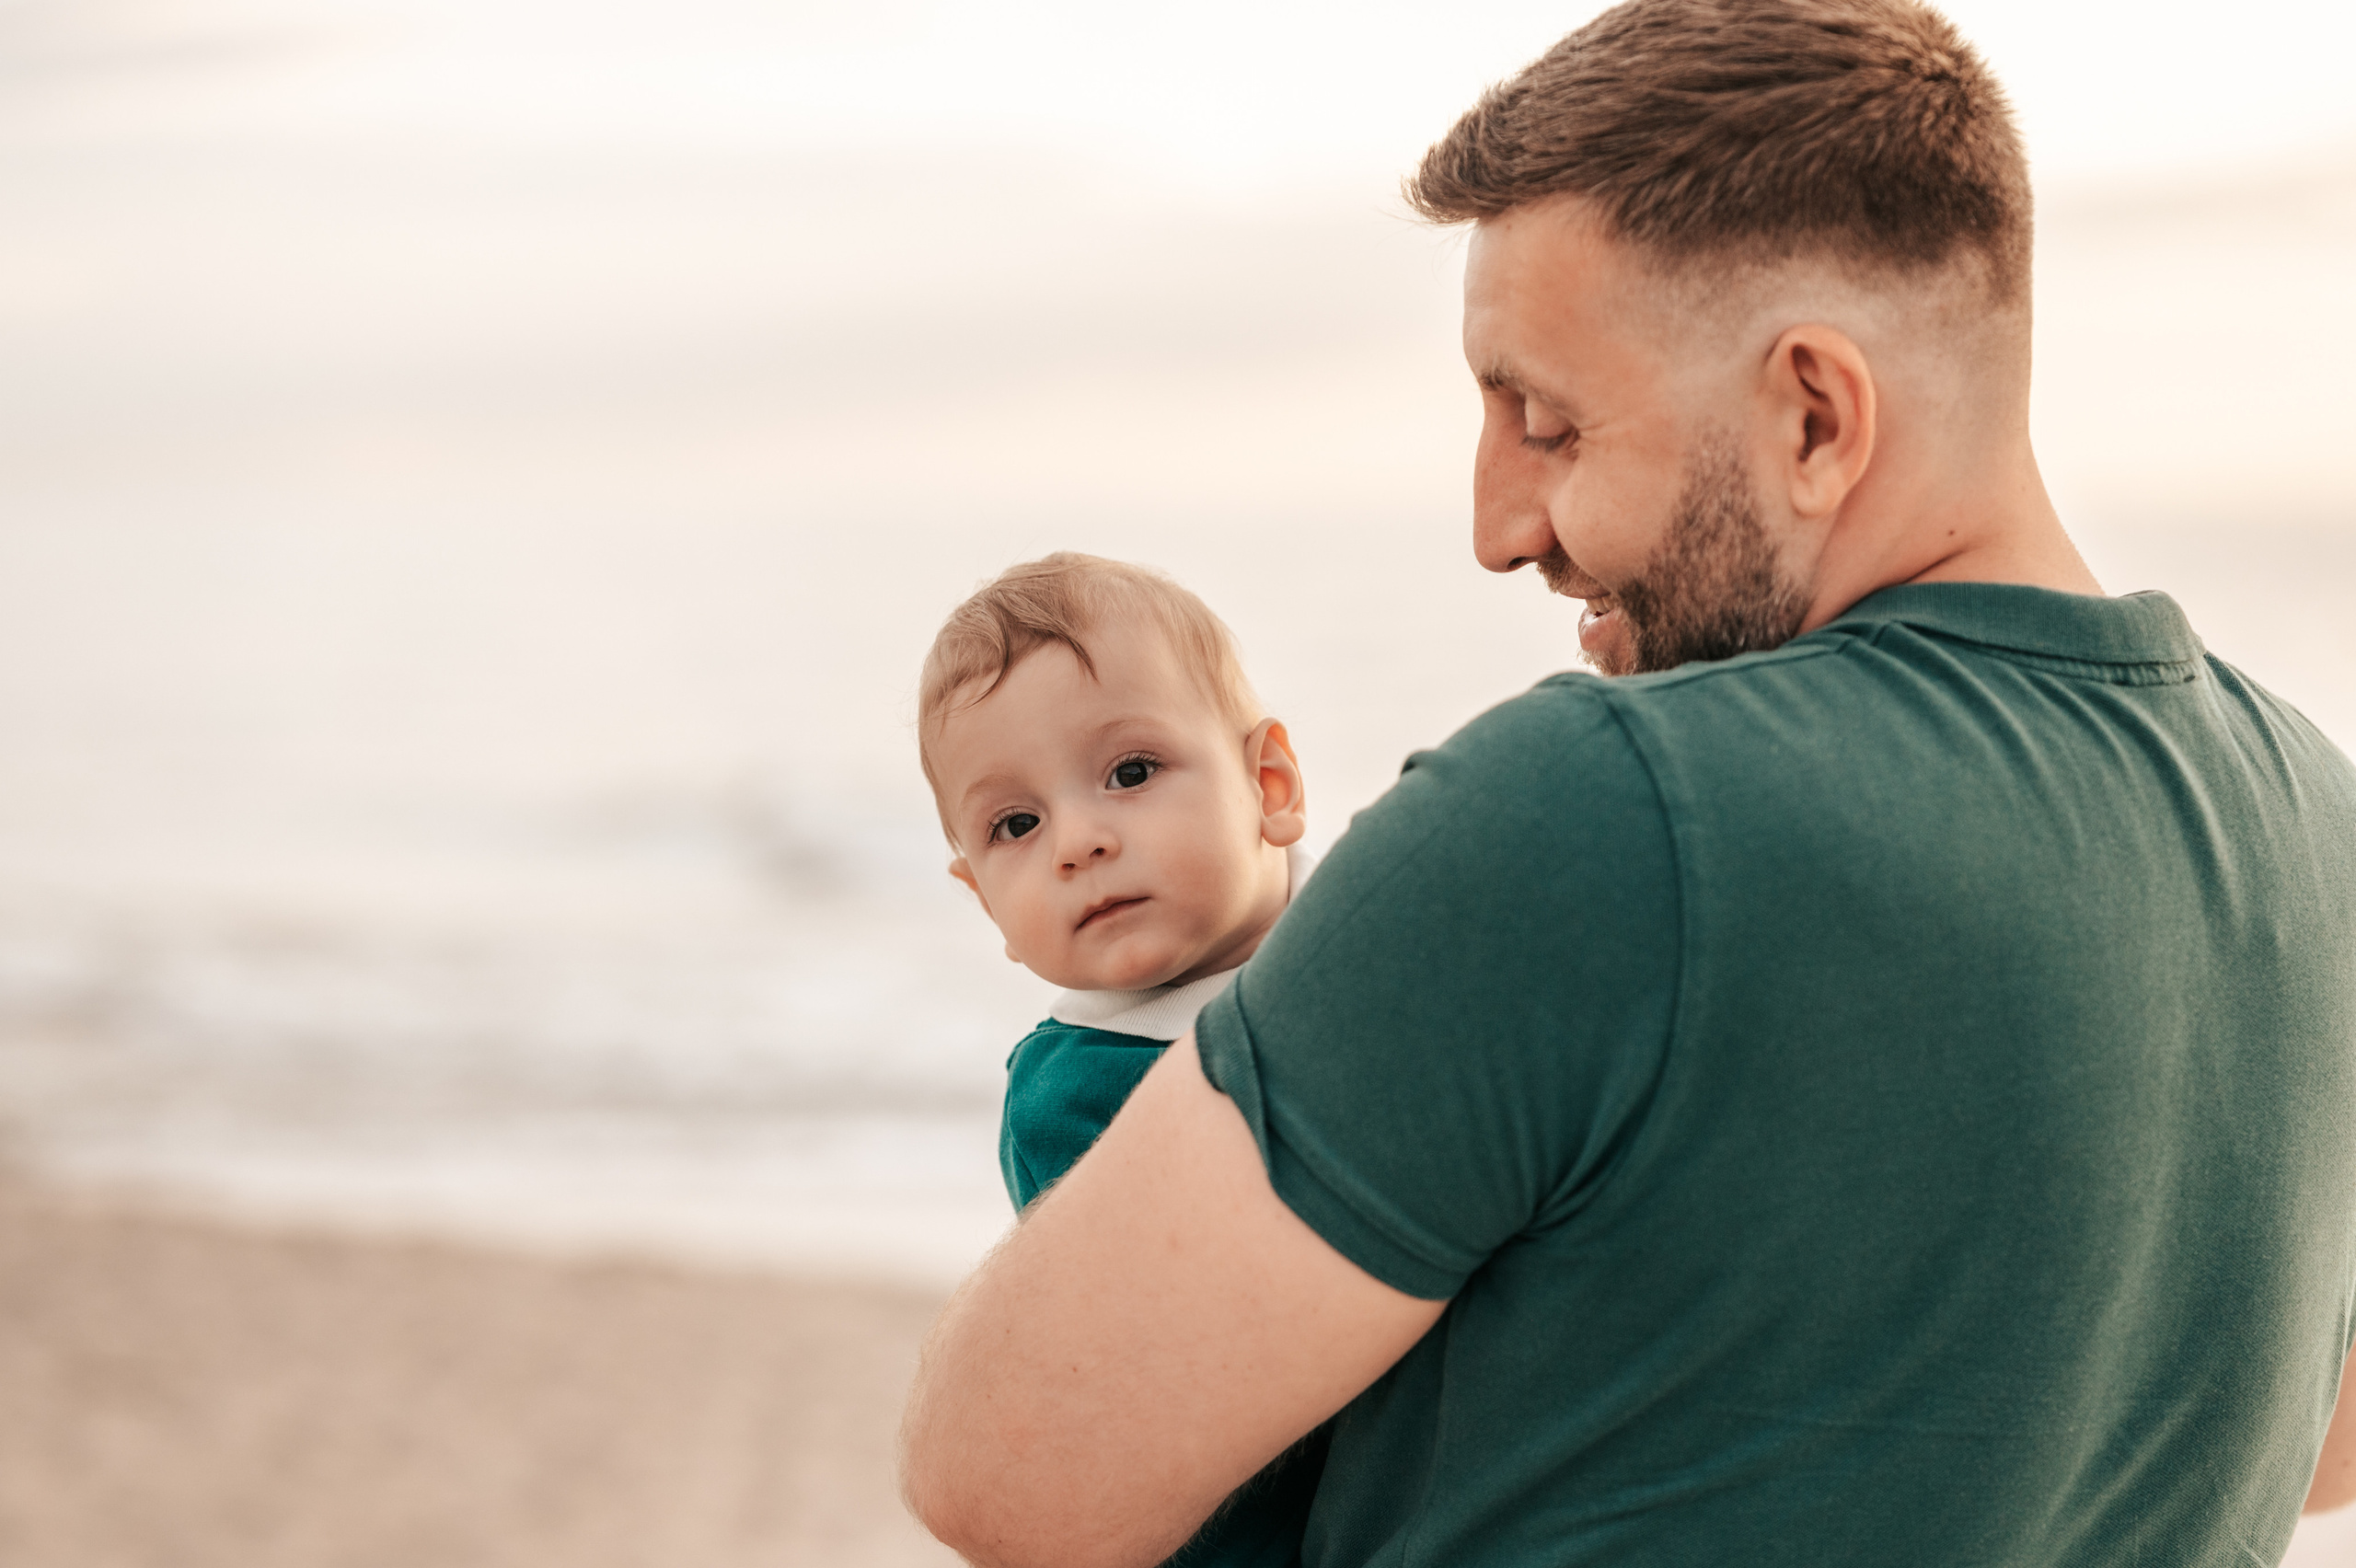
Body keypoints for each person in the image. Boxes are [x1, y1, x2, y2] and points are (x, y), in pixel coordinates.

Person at [899, 2, 2356, 1563]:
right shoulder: (2315, 823)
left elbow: (1009, 1471)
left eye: (1548, 424)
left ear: (1815, 416)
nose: (1497, 523)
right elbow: (2315, 1441)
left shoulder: (1599, 813)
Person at [918, 553, 1326, 1567]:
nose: (1077, 841)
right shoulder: (1076, 1094)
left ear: (1268, 786)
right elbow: (1158, 1377)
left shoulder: (1373, 942)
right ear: (986, 904)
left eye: (1131, 773)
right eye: (1016, 825)